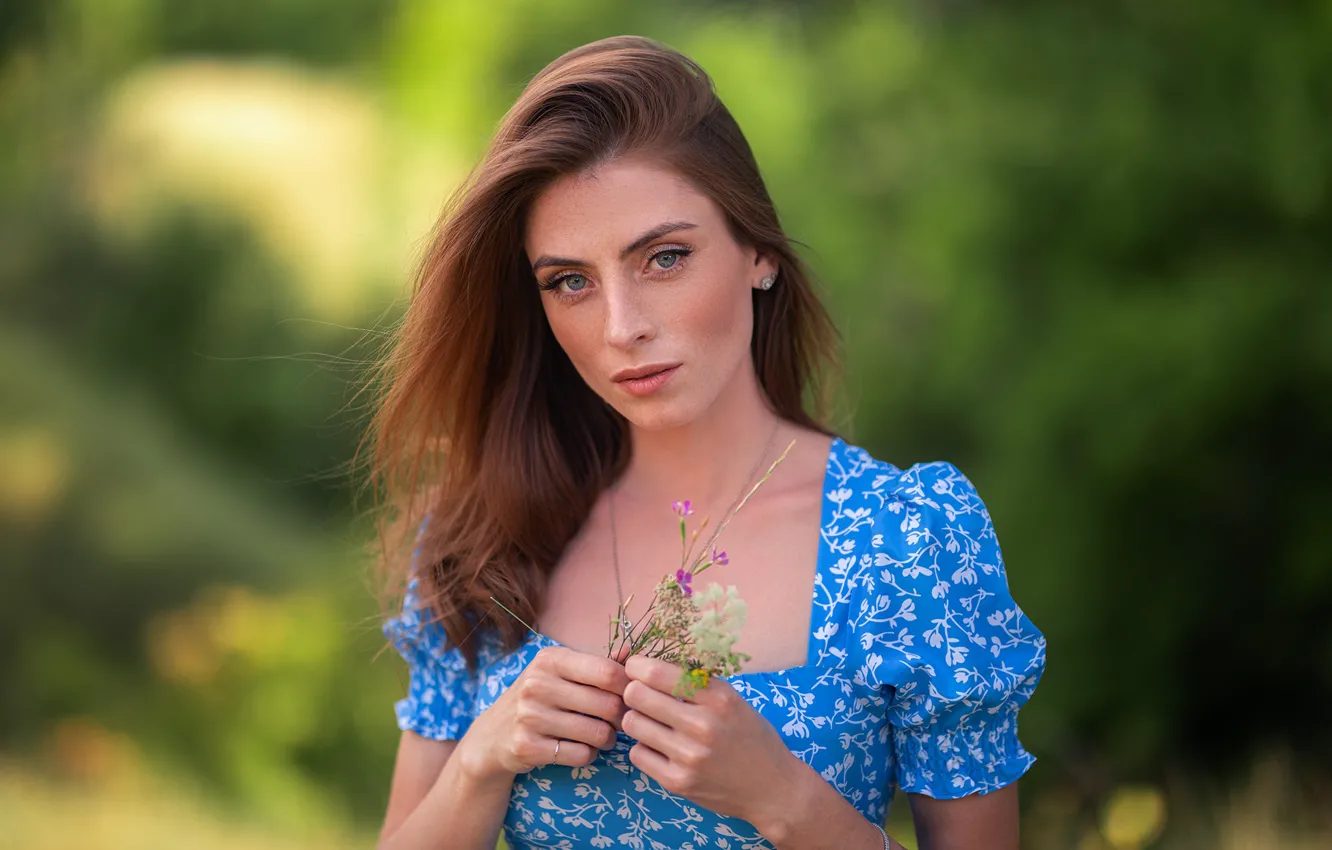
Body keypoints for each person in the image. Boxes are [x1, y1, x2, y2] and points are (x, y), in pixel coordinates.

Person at [368, 35, 1045, 850]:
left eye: (664, 258)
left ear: (758, 253)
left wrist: (785, 799)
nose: (622, 328)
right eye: (570, 281)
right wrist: (481, 763)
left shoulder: (908, 542)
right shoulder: (486, 530)